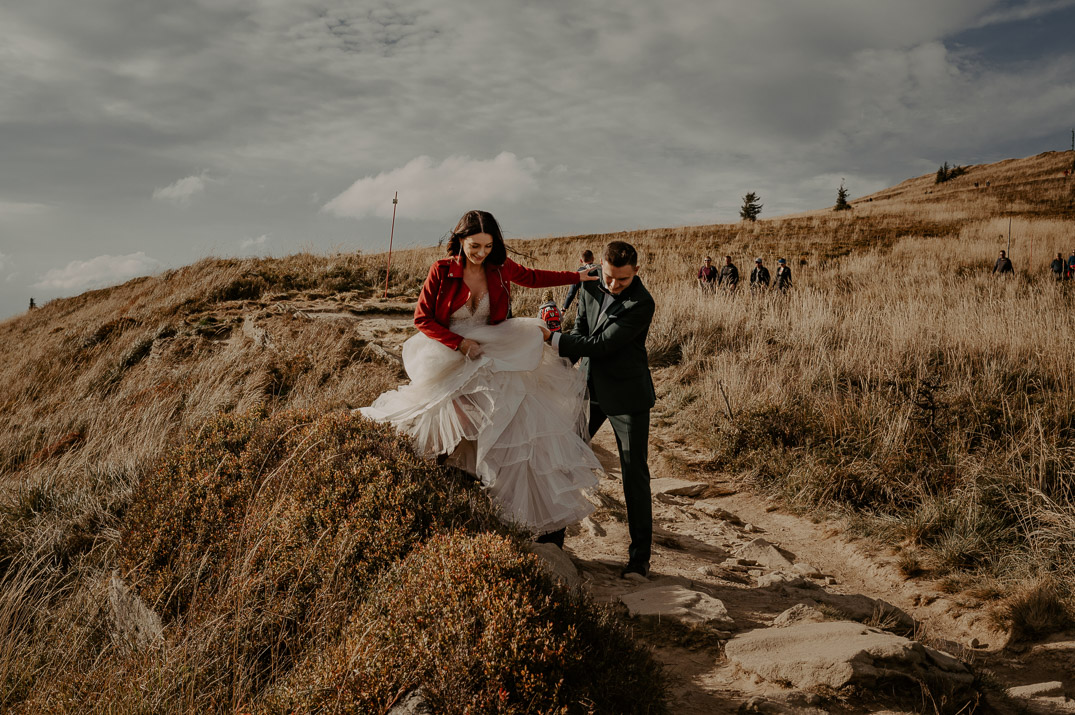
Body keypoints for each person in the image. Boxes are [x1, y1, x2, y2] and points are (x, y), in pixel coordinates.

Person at [360, 210, 601, 544]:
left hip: (493, 350)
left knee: (510, 419)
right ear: (460, 240)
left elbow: (532, 277)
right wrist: (459, 344)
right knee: (440, 420)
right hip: (450, 353)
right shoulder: (441, 270)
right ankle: (428, 502)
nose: (481, 253)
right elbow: (422, 319)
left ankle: (512, 517)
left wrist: (576, 277)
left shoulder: (499, 268)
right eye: (475, 246)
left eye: (488, 246)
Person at [541, 241, 656, 579]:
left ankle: (639, 559)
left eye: (622, 279)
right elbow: (582, 329)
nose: (613, 284)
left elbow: (604, 345)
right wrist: (561, 360)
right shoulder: (589, 284)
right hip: (588, 389)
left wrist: (553, 340)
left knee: (634, 475)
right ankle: (551, 542)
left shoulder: (642, 303)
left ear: (636, 272)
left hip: (628, 397)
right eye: (608, 277)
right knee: (564, 459)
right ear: (600, 266)